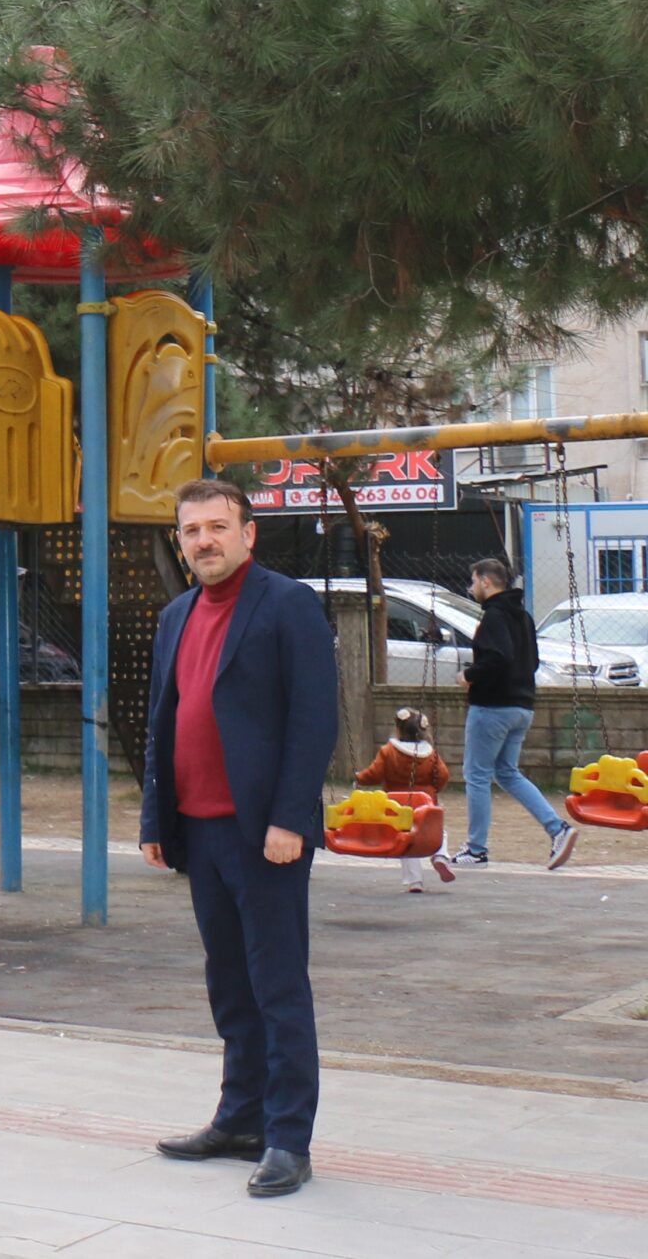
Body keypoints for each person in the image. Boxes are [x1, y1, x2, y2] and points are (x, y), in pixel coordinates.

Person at [139, 477, 337, 1198]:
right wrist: (155, 821)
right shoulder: (176, 615)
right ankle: (240, 1116)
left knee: (278, 984)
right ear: (181, 541)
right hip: (199, 827)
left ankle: (288, 1136)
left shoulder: (287, 605)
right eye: (192, 531)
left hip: (265, 834)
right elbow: (165, 721)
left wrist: (291, 818)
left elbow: (315, 720)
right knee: (229, 981)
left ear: (248, 532)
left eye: (218, 526)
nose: (205, 541)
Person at [448, 559, 580, 874]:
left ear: (485, 581)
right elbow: (532, 661)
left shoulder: (493, 616)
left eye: (473, 581)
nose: (470, 587)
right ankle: (557, 829)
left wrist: (469, 674)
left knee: (477, 775)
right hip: (522, 706)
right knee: (507, 772)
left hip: (492, 707)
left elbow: (498, 656)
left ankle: (476, 849)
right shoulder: (523, 616)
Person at [351, 706, 451, 893]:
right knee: (438, 829)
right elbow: (443, 775)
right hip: (425, 801)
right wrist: (433, 790)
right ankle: (441, 856)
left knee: (407, 840)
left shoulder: (389, 751)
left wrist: (359, 777)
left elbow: (374, 774)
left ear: (398, 729)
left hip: (396, 804)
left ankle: (415, 882)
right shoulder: (430, 754)